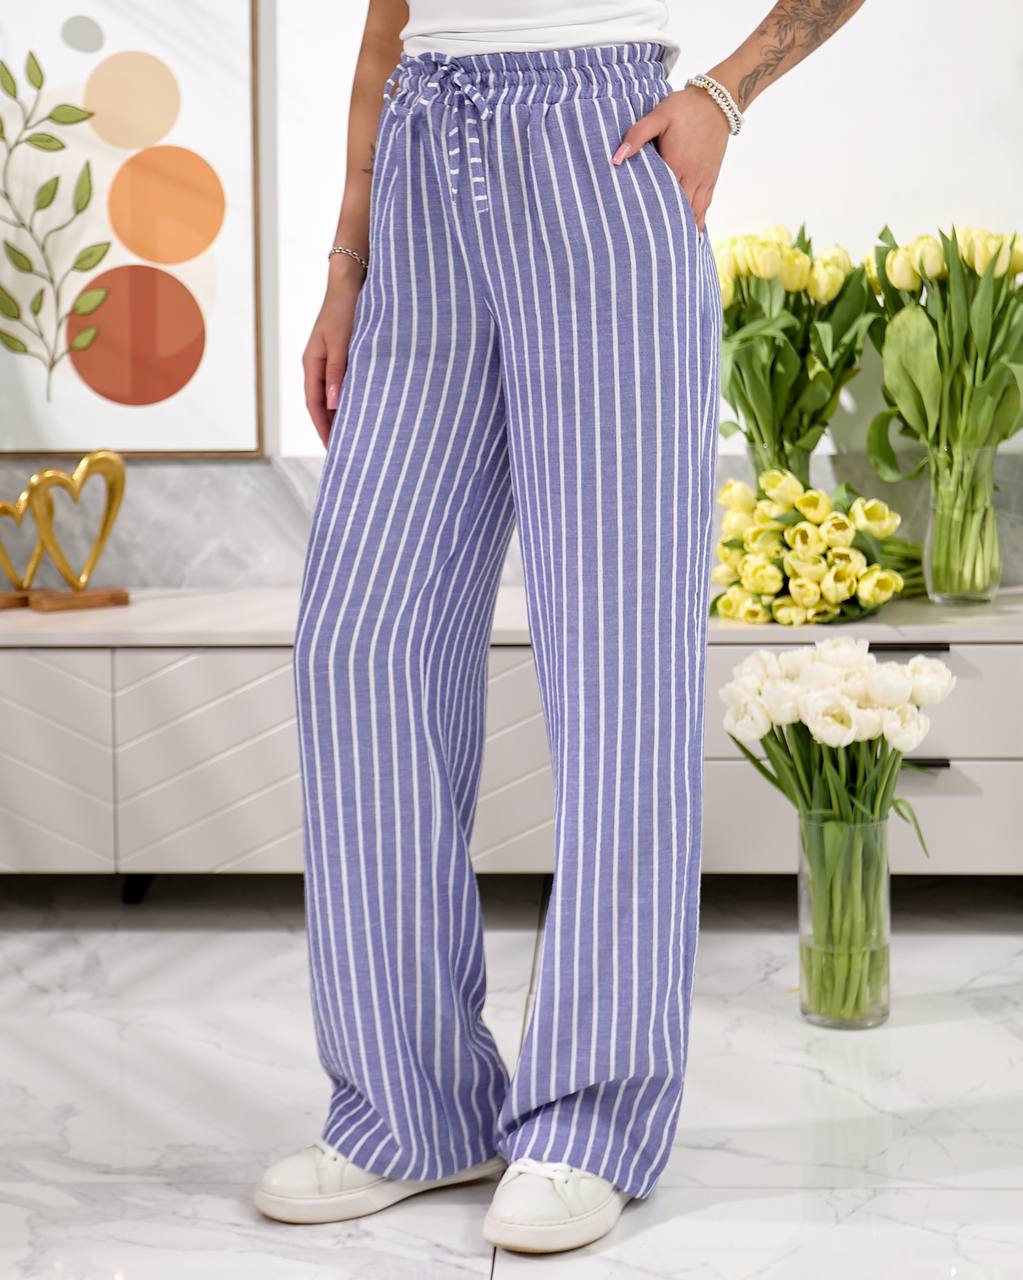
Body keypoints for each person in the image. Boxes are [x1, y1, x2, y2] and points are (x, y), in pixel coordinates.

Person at [256, 0, 866, 1255]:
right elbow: (389, 22)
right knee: (359, 646)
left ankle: (593, 1114)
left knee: (616, 664)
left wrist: (729, 91)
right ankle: (412, 1108)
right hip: (422, 163)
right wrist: (347, 257)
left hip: (598, 148)